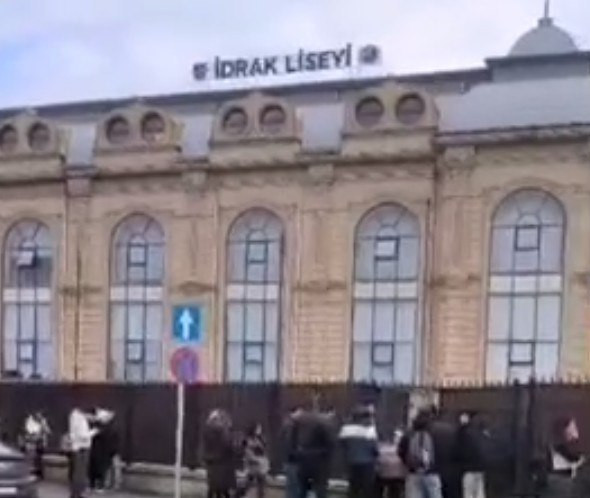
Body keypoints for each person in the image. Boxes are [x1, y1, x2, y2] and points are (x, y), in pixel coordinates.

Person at [289, 403, 336, 498]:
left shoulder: (299, 422)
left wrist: (296, 453)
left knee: (302, 489)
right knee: (320, 489)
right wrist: (327, 454)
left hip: (303, 459)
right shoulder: (324, 423)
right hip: (320, 461)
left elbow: (292, 440)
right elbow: (331, 442)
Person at [398, 409, 443, 498]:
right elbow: (441, 452)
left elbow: (400, 451)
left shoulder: (409, 434)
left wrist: (408, 463)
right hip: (432, 472)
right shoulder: (436, 433)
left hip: (413, 472)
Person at [339, 404, 379, 498]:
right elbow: (374, 449)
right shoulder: (369, 429)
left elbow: (342, 445)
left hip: (351, 462)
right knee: (367, 489)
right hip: (367, 463)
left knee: (353, 488)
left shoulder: (346, 429)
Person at [543, 416, 584, 498]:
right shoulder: (560, 446)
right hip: (561, 481)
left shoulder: (565, 446)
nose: (575, 431)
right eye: (572, 428)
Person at [203, 409, 239, 498]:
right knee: (221, 488)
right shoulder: (223, 432)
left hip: (212, 462)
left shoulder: (208, 430)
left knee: (214, 488)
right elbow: (228, 445)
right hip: (221, 463)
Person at [455, 412, 487, 498]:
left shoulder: (465, 433)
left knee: (468, 493)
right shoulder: (482, 434)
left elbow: (459, 440)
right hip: (480, 468)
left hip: (468, 468)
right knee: (479, 493)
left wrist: (462, 425)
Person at [88, 408, 119, 493]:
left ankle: (98, 485)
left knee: (100, 468)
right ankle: (95, 485)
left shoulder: (105, 428)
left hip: (102, 451)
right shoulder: (101, 427)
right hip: (99, 451)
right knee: (96, 468)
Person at [69, 407, 97, 498]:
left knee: (80, 473)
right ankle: (76, 494)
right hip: (81, 448)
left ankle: (78, 493)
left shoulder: (77, 416)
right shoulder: (78, 418)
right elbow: (83, 435)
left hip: (80, 448)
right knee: (79, 474)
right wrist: (94, 431)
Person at [238, 423, 269, 498]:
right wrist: (254, 459)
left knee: (261, 483)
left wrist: (264, 461)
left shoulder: (261, 439)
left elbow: (264, 450)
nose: (259, 430)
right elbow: (246, 451)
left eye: (260, 428)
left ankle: (260, 495)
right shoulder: (247, 440)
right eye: (258, 428)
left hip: (261, 465)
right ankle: (239, 494)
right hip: (252, 465)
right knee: (248, 482)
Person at [19, 412, 50, 480]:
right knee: (33, 458)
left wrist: (43, 426)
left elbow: (48, 432)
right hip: (34, 443)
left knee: (38, 458)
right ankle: (34, 472)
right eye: (37, 416)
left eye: (40, 416)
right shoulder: (31, 422)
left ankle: (39, 473)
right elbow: (29, 432)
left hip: (40, 444)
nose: (38, 417)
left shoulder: (43, 423)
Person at [376, 429, 406, 498]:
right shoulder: (402, 448)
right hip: (398, 476)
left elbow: (378, 460)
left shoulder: (381, 447)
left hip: (384, 475)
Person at [281, 407, 303, 498]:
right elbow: (289, 443)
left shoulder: (289, 424)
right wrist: (297, 453)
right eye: (299, 413)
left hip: (290, 459)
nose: (301, 415)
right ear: (293, 413)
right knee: (294, 485)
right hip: (292, 460)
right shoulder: (291, 425)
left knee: (292, 485)